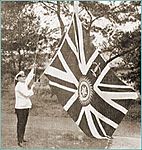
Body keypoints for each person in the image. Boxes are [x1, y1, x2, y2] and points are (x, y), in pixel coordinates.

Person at [14, 64, 36, 147]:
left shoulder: (23, 84)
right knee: (21, 123)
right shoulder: (19, 85)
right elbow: (27, 94)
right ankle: (19, 141)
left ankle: (22, 138)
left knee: (24, 123)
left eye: (24, 76)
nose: (24, 78)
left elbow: (29, 78)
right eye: (22, 77)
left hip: (25, 107)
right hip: (20, 108)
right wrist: (32, 88)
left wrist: (33, 69)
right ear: (18, 78)